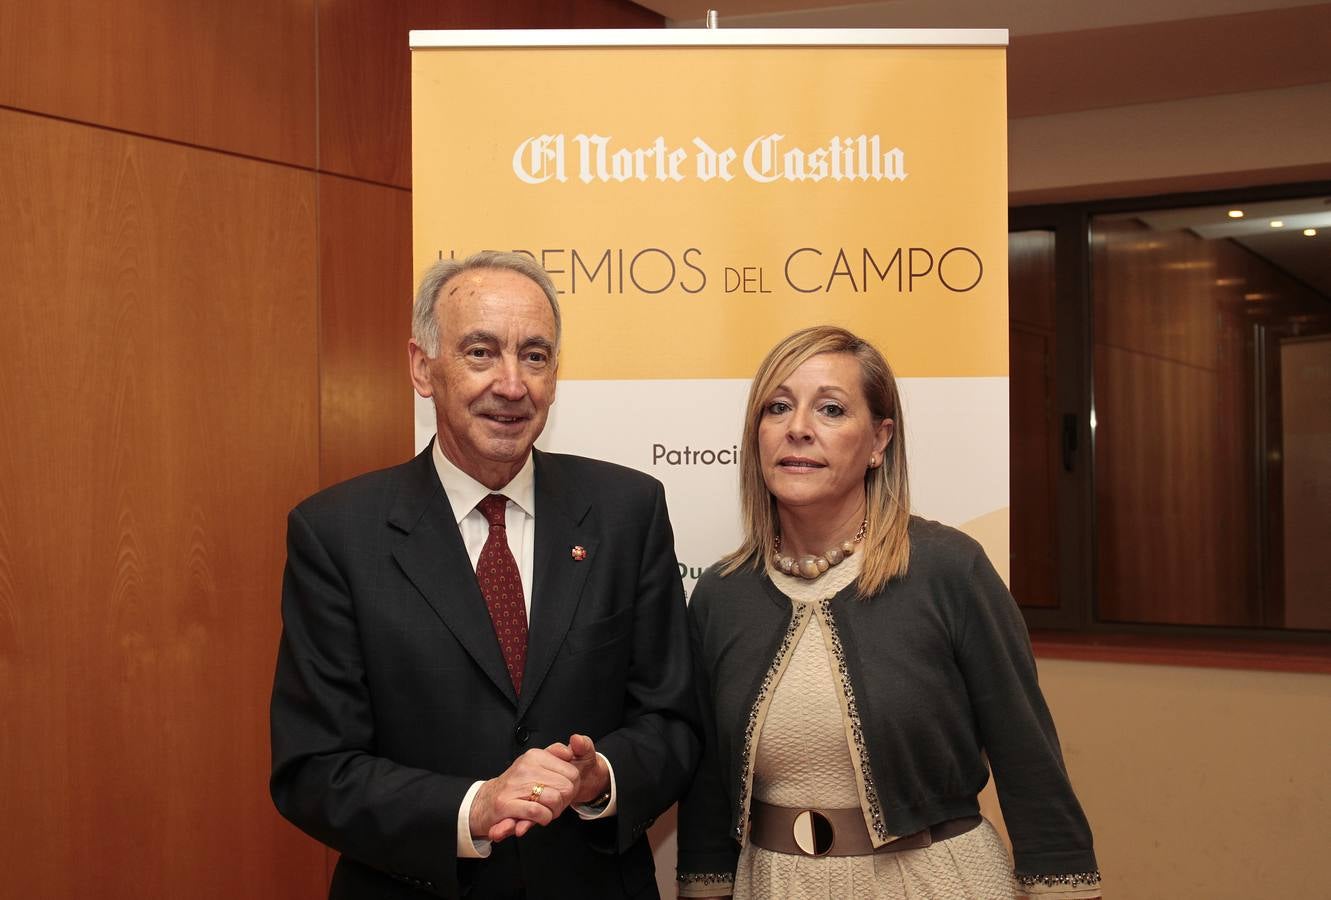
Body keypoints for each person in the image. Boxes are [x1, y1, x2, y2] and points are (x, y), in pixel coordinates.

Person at [270, 250, 700, 899]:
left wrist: (598, 778)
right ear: (423, 367)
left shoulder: (625, 513)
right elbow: (313, 769)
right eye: (480, 353)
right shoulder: (336, 535)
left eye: (534, 355)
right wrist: (471, 806)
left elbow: (674, 722)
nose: (511, 383)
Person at [676, 326, 1101, 899]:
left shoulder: (948, 568)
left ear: (879, 441)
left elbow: (1030, 761)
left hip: (934, 883)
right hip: (774, 886)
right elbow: (707, 791)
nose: (798, 427)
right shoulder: (722, 595)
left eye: (829, 409)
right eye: (777, 407)